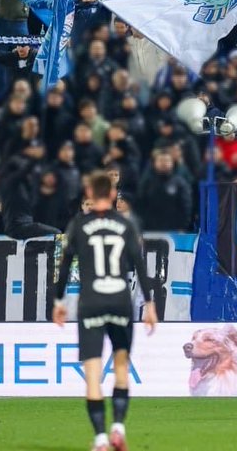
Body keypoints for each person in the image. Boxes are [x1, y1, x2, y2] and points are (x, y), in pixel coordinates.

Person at [54, 172, 158, 451]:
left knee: (93, 372)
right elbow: (139, 265)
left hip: (91, 302)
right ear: (112, 194)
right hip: (120, 301)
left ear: (89, 193)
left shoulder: (78, 224)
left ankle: (100, 439)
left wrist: (59, 302)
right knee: (121, 365)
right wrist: (149, 304)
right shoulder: (125, 224)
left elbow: (65, 265)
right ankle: (118, 428)